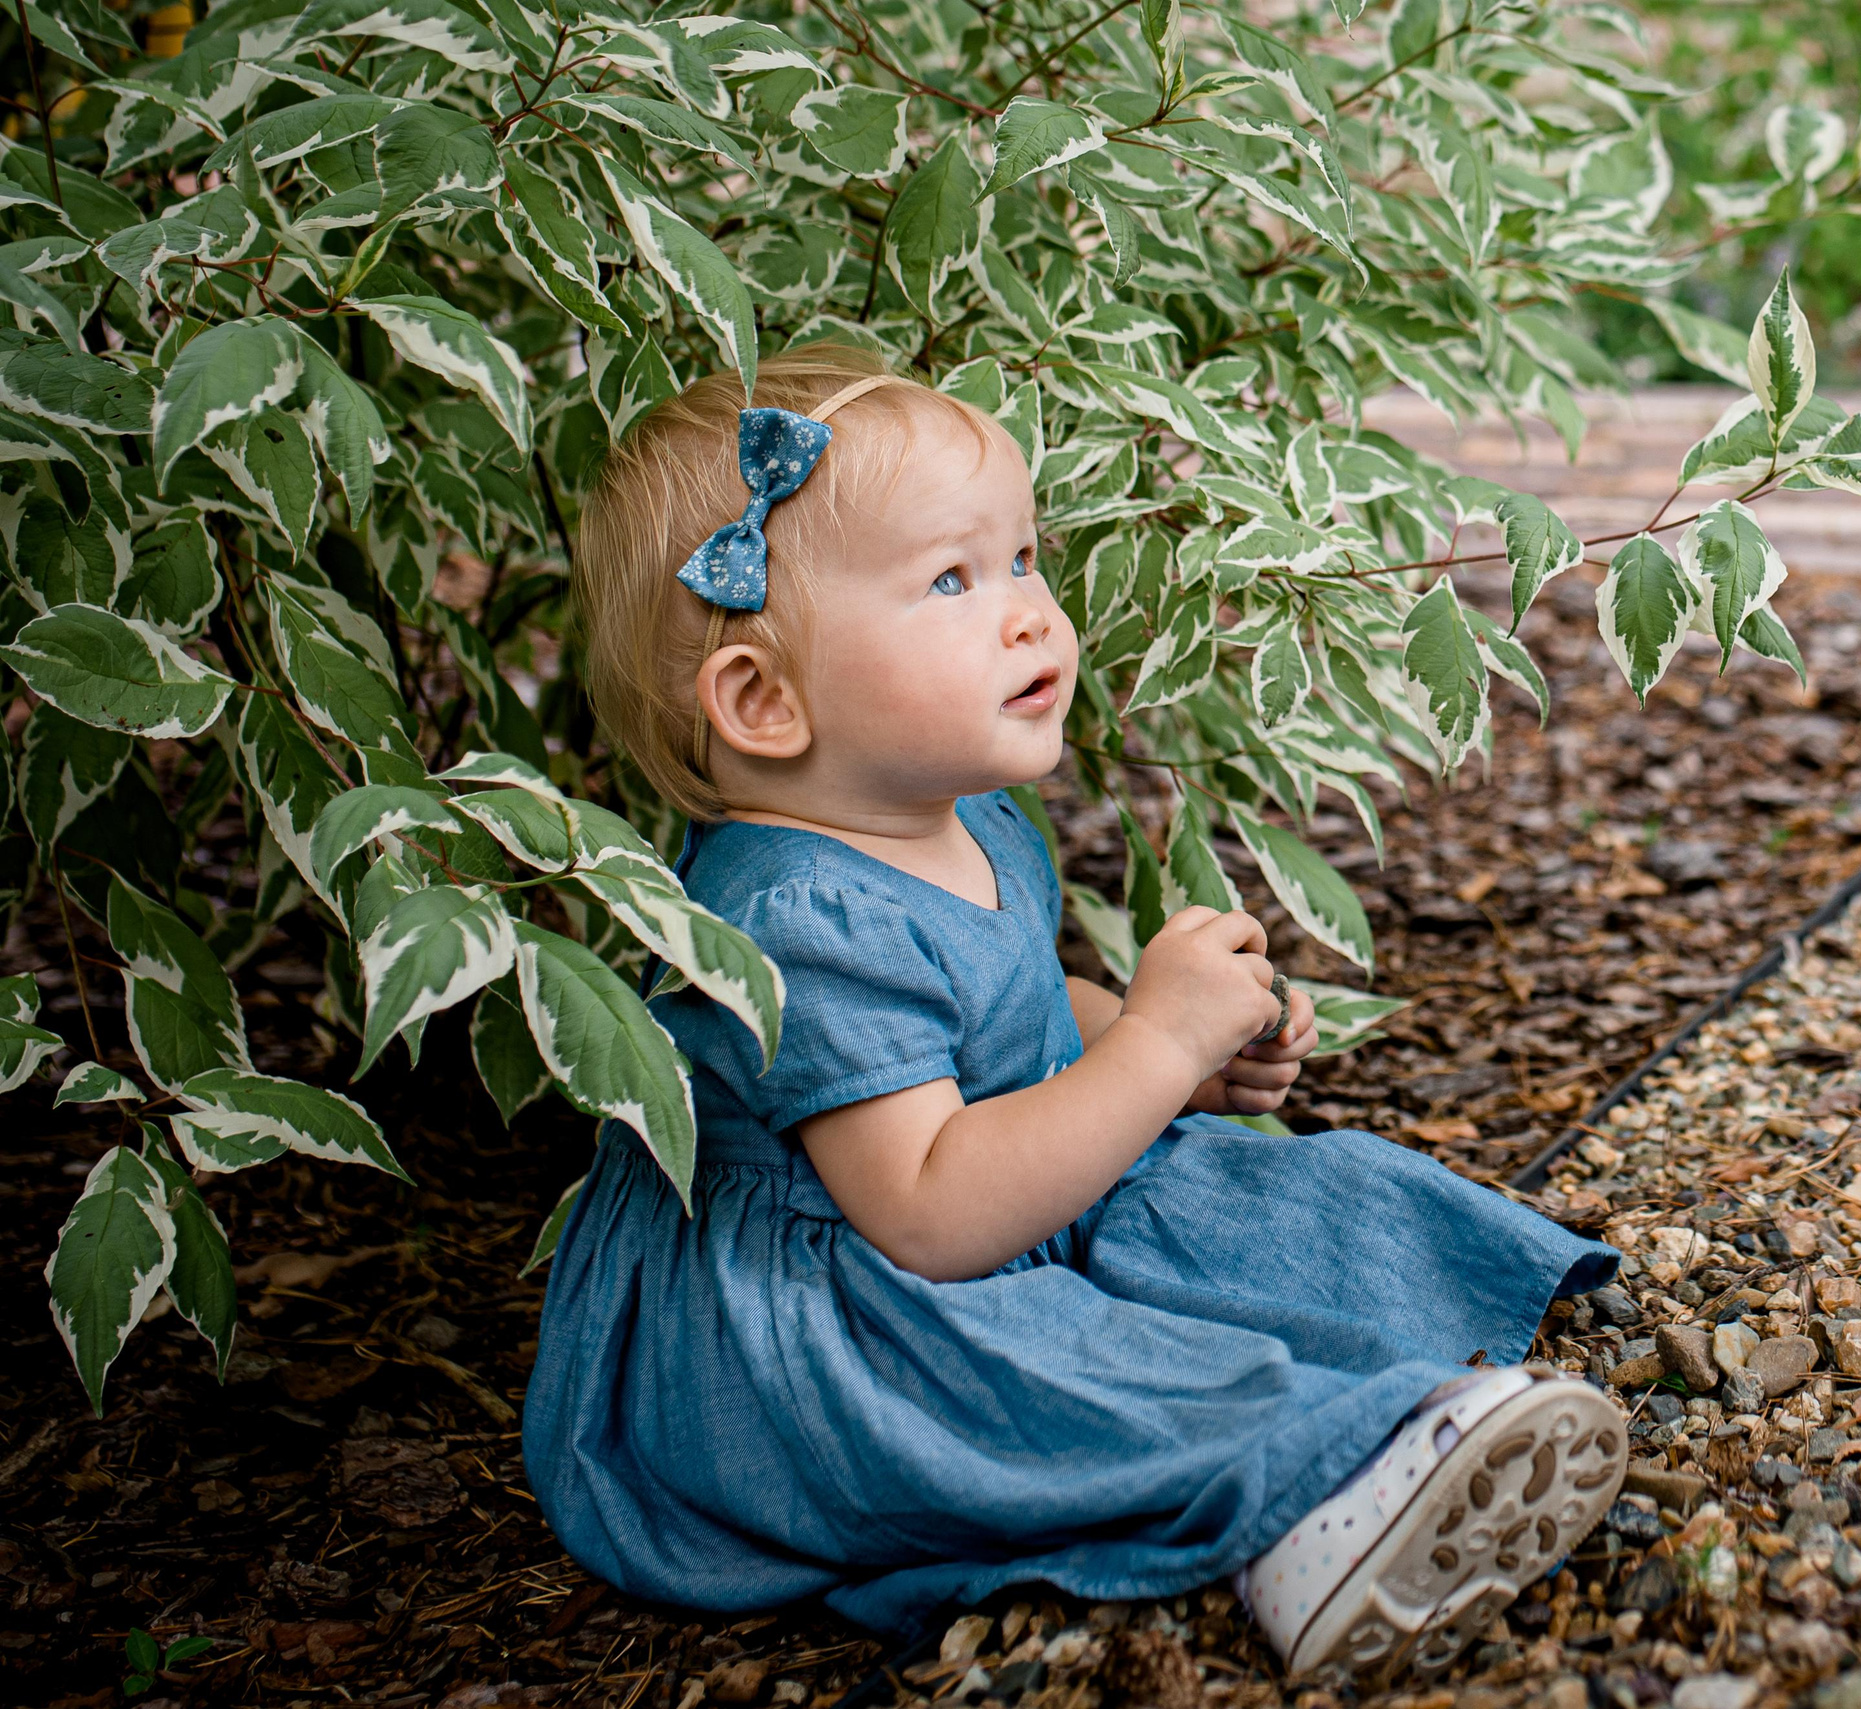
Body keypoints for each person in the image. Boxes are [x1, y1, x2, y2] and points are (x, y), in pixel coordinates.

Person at [523, 343, 1627, 1678]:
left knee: (1300, 1194)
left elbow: (1014, 1014)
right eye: (952, 579)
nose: (1031, 614)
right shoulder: (797, 921)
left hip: (999, 1202)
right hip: (854, 1328)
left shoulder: (960, 811)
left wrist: (1178, 1056)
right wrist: (1155, 1048)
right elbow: (930, 1214)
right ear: (764, 701)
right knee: (1068, 1384)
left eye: (1024, 559)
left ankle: (1417, 1373)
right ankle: (1312, 1511)